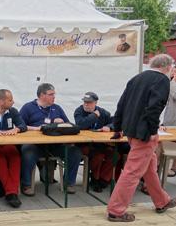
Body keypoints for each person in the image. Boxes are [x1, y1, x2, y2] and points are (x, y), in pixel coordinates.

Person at [107, 54, 176, 222]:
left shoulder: (136, 79)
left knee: (149, 167)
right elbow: (154, 108)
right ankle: (116, 210)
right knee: (132, 172)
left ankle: (162, 201)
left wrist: (117, 129)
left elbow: (121, 105)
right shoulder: (161, 80)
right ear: (167, 67)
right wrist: (153, 130)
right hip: (145, 133)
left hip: (131, 131)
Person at [20, 83, 82, 195]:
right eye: (51, 94)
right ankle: (26, 184)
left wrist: (62, 123)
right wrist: (36, 128)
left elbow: (69, 125)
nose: (54, 97)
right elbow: (19, 126)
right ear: (42, 95)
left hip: (55, 146)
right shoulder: (28, 107)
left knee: (75, 152)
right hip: (36, 146)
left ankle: (68, 183)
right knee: (27, 151)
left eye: (54, 94)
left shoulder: (57, 108)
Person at [74, 92, 119, 193]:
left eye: (89, 102)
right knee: (98, 155)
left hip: (100, 143)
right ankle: (95, 178)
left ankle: (103, 179)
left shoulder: (103, 113)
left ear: (95, 103)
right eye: (85, 102)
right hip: (84, 144)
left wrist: (109, 127)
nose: (86, 104)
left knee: (115, 155)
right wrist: (94, 116)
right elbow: (81, 125)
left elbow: (115, 122)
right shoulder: (79, 111)